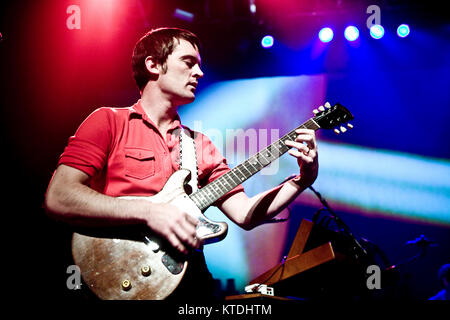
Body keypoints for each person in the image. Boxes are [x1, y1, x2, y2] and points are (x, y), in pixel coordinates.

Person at [44, 27, 319, 300]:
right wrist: (148, 212)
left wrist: (301, 180)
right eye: (188, 63)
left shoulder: (200, 145)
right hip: (117, 268)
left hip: (189, 279)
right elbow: (59, 197)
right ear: (153, 65)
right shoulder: (108, 122)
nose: (199, 73)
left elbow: (245, 214)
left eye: (199, 66)